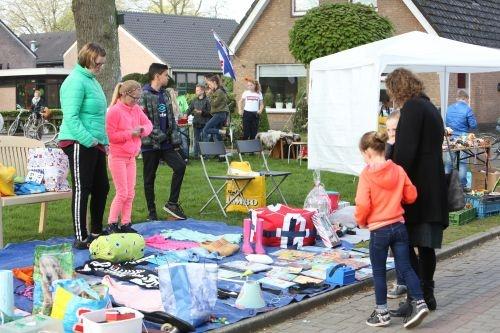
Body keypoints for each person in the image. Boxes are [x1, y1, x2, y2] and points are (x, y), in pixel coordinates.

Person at [386, 68, 448, 315]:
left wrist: (392, 177)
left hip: (417, 189)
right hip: (433, 186)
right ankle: (427, 295)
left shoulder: (412, 108)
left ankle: (415, 298)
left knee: (404, 244)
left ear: (397, 88)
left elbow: (406, 152)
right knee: (426, 246)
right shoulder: (430, 108)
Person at [355, 131, 429, 328]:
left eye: (362, 154)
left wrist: (361, 221)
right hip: (398, 226)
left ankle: (382, 314)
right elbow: (411, 195)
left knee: (379, 273)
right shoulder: (398, 169)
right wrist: (398, 196)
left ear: (367, 152)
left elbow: (362, 204)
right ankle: (420, 303)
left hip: (379, 230)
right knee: (405, 267)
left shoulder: (366, 175)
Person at [58, 42, 110, 249]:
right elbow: (71, 116)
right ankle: (81, 236)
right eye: (98, 63)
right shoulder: (75, 82)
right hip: (79, 141)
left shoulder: (92, 80)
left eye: (102, 64)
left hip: (95, 143)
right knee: (83, 188)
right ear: (88, 59)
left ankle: (97, 231)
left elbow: (96, 116)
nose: (101, 67)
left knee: (102, 187)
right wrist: (88, 140)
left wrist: (102, 142)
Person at [105, 80, 153, 234]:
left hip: (131, 157)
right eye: (134, 98)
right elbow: (110, 136)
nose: (136, 102)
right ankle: (112, 223)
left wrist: (142, 129)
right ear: (124, 94)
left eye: (138, 98)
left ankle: (126, 223)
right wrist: (129, 134)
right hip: (117, 156)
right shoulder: (114, 111)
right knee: (122, 192)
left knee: (130, 192)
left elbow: (149, 125)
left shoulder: (137, 109)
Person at [141, 63, 187, 221]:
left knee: (180, 166)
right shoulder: (143, 94)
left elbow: (171, 118)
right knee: (149, 178)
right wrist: (157, 135)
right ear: (157, 76)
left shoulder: (166, 94)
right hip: (150, 144)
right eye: (166, 75)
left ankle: (172, 203)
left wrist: (174, 136)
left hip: (166, 143)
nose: (168, 77)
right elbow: (143, 120)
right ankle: (151, 212)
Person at [383, 110, 408, 299]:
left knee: (400, 245)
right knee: (397, 246)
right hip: (390, 202)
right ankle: (402, 281)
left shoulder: (401, 147)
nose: (392, 133)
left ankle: (402, 282)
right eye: (389, 129)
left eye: (395, 130)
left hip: (401, 202)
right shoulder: (387, 146)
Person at [445, 89, 477, 189]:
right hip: (463, 139)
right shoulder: (467, 109)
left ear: (457, 98)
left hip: (450, 138)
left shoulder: (449, 108)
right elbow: (473, 125)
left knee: (449, 162)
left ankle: (445, 184)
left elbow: (447, 122)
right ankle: (462, 186)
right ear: (466, 98)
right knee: (462, 162)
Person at [202, 75, 229, 142]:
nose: (209, 87)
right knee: (217, 135)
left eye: (209, 84)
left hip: (220, 114)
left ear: (214, 82)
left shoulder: (219, 91)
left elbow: (214, 104)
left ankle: (225, 132)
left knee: (206, 129)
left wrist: (209, 95)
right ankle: (220, 150)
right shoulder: (217, 91)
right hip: (218, 114)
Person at [187, 84, 211, 158]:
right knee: (196, 140)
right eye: (196, 90)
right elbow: (190, 109)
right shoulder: (194, 100)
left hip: (205, 123)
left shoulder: (207, 100)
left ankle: (206, 156)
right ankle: (196, 155)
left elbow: (210, 112)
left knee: (205, 139)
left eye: (197, 90)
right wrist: (185, 113)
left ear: (202, 91)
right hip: (196, 122)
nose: (196, 91)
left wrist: (202, 112)